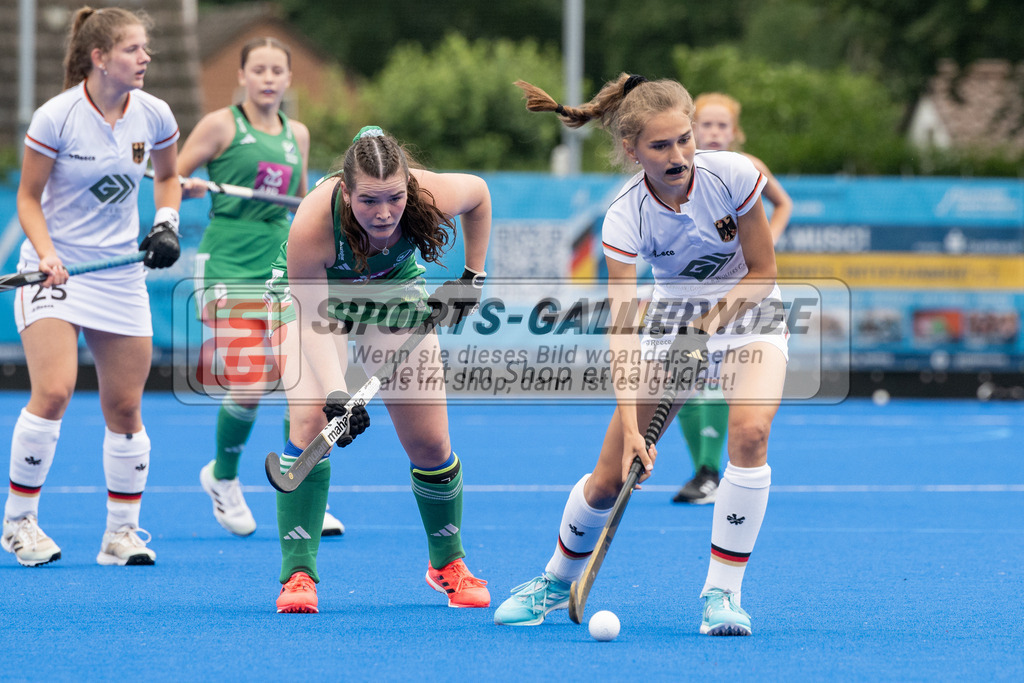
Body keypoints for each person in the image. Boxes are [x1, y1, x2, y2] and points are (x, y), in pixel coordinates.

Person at [495, 74, 788, 635]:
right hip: (671, 317)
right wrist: (634, 427)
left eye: (685, 139)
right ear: (632, 151)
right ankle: (556, 582)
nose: (678, 156)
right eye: (660, 146)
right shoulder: (626, 216)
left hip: (749, 309)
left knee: (750, 433)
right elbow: (623, 329)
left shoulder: (736, 175)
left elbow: (764, 272)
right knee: (609, 477)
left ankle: (721, 596)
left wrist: (708, 323)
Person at [265, 126, 492, 614]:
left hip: (390, 290)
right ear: (347, 192)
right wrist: (335, 395)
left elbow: (480, 195)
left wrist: (473, 276)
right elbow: (311, 317)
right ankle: (299, 574)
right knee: (310, 421)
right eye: (369, 200)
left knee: (431, 442)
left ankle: (447, 563)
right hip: (314, 298)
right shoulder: (313, 222)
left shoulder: (428, 193)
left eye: (395, 197)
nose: (385, 213)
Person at [1, 6, 181, 567]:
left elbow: (169, 177)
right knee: (53, 391)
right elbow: (28, 197)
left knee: (126, 408)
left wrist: (166, 223)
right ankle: (18, 522)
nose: (145, 57)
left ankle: (120, 534)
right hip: (55, 270)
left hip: (120, 276)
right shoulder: (56, 117)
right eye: (133, 49)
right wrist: (49, 254)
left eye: (145, 49)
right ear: (100, 57)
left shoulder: (154, 114)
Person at [176, 37, 343, 538]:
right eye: (259, 70)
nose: (268, 78)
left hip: (280, 266)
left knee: (305, 388)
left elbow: (299, 207)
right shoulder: (221, 125)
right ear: (243, 76)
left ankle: (303, 489)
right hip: (227, 264)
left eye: (277, 71)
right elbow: (169, 178)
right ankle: (222, 477)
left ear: (288, 80)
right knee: (250, 381)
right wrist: (191, 185)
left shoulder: (299, 134)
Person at [672, 92, 792, 505]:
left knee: (726, 381)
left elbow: (783, 203)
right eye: (706, 124)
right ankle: (702, 470)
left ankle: (711, 471)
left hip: (741, 291)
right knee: (685, 379)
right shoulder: (675, 172)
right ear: (691, 129)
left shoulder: (747, 169)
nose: (714, 132)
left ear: (735, 132)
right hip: (691, 289)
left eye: (723, 126)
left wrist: (767, 241)